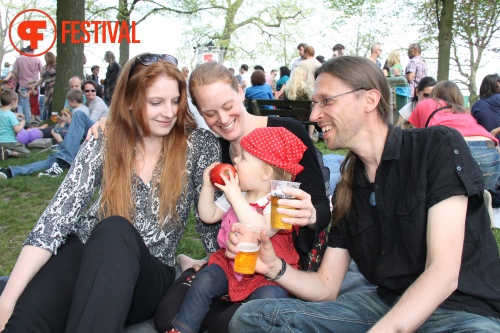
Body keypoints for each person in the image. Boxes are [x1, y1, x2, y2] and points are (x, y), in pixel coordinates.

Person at [229, 55, 500, 333]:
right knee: (255, 317)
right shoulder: (349, 187)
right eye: (314, 103)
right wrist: (274, 267)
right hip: (385, 306)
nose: (313, 115)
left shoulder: (434, 147)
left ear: (369, 100)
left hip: (460, 314)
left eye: (326, 101)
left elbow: (443, 274)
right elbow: (326, 287)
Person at [0, 53, 221, 331]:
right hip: (83, 252)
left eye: (176, 101)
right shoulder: (105, 137)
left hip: (147, 272)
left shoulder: (198, 144)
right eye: (156, 102)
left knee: (115, 229)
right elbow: (56, 219)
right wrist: (7, 301)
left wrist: (215, 263)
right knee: (28, 320)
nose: (169, 112)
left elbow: (209, 222)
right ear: (128, 101)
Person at [150, 61, 332, 333]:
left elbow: (320, 208)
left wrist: (309, 214)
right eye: (210, 113)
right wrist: (109, 122)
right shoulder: (210, 146)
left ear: (240, 90)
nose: (222, 120)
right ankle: (193, 268)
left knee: (242, 322)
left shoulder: (283, 134)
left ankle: (195, 273)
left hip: (275, 268)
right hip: (227, 266)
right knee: (167, 318)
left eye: (227, 106)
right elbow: (154, 131)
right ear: (199, 113)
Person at [167, 127, 306, 333]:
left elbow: (262, 231)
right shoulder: (240, 191)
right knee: (205, 280)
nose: (236, 160)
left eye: (244, 158)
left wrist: (235, 197)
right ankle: (183, 329)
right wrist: (208, 187)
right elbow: (209, 214)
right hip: (230, 263)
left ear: (265, 172)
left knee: (269, 301)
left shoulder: (282, 199)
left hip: (266, 273)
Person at [409, 80, 500, 190]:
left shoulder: (426, 103)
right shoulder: (463, 111)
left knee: (445, 191)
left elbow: (415, 139)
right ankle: (480, 198)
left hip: (457, 148)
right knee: (475, 191)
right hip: (490, 153)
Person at [13, 46, 43, 123]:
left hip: (23, 84)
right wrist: (41, 83)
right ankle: (35, 119)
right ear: (33, 51)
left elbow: (15, 72)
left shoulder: (19, 59)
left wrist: (18, 81)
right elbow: (42, 72)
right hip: (35, 84)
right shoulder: (37, 59)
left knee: (25, 104)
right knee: (35, 103)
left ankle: (27, 121)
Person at [0, 89, 29, 160]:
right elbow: (17, 130)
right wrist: (22, 123)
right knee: (26, 153)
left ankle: (2, 150)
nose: (17, 103)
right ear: (13, 102)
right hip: (9, 142)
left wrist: (17, 115)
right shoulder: (11, 115)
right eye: (17, 102)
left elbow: (5, 117)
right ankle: (8, 152)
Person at [33, 52, 56, 120]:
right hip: (47, 87)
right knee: (46, 103)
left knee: (52, 102)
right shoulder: (44, 67)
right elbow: (42, 79)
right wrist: (35, 84)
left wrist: (55, 82)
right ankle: (46, 118)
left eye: (46, 57)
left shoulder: (55, 65)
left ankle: (52, 118)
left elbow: (59, 76)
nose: (45, 59)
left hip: (53, 86)